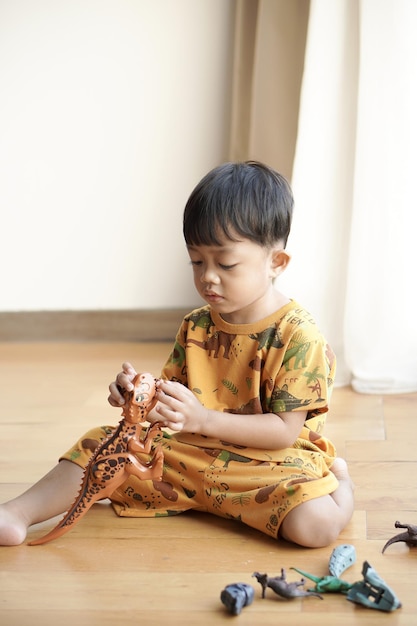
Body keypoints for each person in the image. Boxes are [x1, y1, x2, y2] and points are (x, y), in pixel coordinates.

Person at [0, 161, 354, 548]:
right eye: (197, 261)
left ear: (276, 263)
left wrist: (202, 417)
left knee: (314, 528)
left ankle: (342, 487)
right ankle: (17, 513)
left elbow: (284, 432)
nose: (208, 277)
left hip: (269, 466)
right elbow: (171, 409)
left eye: (226, 263)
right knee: (99, 444)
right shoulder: (196, 325)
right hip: (193, 459)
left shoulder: (299, 334)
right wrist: (139, 397)